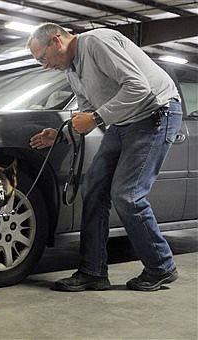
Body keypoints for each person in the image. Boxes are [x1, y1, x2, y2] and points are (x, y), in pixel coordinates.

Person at [27, 23, 182, 292]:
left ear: (57, 41)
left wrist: (97, 118)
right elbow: (86, 113)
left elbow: (138, 87)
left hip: (155, 114)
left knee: (128, 194)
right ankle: (93, 272)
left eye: (42, 57)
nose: (43, 65)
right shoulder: (71, 70)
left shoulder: (96, 42)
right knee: (94, 189)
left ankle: (161, 267)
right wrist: (62, 134)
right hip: (122, 123)